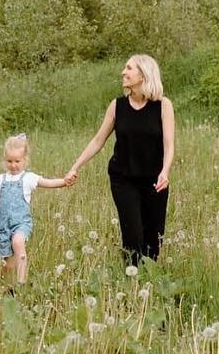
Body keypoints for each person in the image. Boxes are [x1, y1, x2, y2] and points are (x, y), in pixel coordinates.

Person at [66, 54, 174, 266]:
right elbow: (98, 141)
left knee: (153, 238)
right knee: (133, 235)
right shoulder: (117, 106)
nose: (123, 72)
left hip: (155, 180)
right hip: (123, 179)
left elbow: (169, 145)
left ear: (143, 75)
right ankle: (131, 278)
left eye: (129, 68)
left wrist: (165, 171)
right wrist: (75, 167)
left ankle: (148, 281)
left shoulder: (163, 106)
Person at [0, 133, 73, 290]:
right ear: (5, 160)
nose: (13, 165)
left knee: (18, 242)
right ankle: (10, 289)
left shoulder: (28, 178)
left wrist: (64, 182)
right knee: (8, 265)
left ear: (25, 160)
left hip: (21, 224)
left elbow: (47, 182)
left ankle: (21, 281)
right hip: (4, 227)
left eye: (17, 161)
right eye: (9, 161)